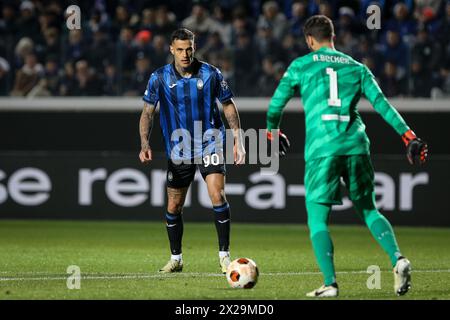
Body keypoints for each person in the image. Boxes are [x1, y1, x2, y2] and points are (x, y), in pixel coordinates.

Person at [266, 15, 428, 297]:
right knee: (368, 209)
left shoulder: (300, 66)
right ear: (333, 37)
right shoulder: (356, 67)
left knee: (317, 220)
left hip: (322, 150)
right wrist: (409, 136)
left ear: (309, 40)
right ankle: (398, 259)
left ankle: (330, 284)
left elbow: (275, 107)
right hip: (355, 145)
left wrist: (272, 133)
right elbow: (382, 105)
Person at [139, 28, 246, 274]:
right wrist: (145, 143)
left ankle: (224, 256)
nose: (185, 54)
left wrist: (237, 139)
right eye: (179, 50)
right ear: (171, 50)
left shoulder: (211, 74)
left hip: (211, 142)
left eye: (189, 49)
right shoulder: (159, 78)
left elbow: (228, 106)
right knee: (174, 206)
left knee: (217, 196)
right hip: (179, 149)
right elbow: (147, 113)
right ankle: (176, 258)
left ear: (194, 48)